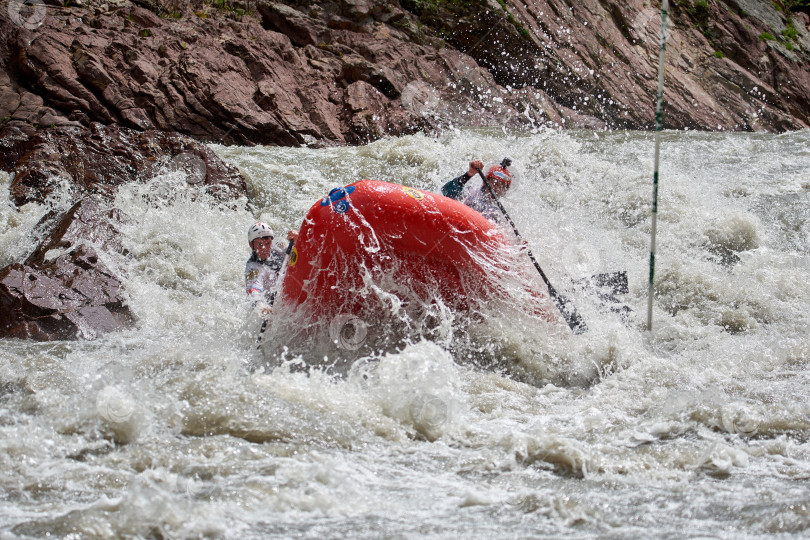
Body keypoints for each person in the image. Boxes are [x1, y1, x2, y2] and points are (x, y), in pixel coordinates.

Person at [245, 222, 297, 315]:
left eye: (268, 243)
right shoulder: (252, 267)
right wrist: (261, 306)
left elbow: (293, 253)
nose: (264, 248)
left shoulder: (277, 246)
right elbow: (253, 290)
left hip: (288, 289)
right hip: (271, 302)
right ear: (251, 244)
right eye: (259, 244)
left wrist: (298, 238)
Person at [441, 158, 513, 222]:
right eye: (494, 183)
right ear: (485, 183)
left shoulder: (496, 213)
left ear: (504, 192)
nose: (496, 189)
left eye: (501, 187)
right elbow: (446, 191)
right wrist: (468, 174)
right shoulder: (471, 191)